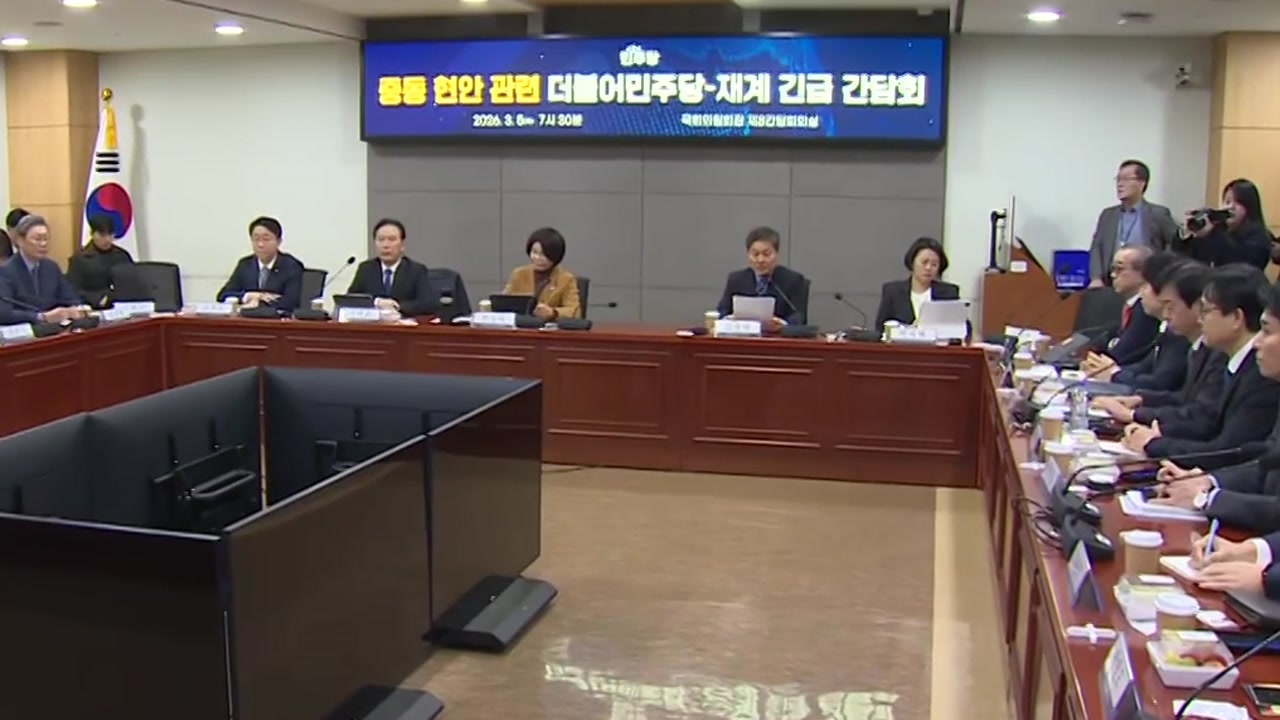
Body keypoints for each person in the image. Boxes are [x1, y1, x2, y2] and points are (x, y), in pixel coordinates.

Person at [1153, 279, 1280, 530]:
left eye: (1266, 331)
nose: (1256, 342)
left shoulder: (1262, 382)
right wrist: (1207, 481)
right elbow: (1265, 468)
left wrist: (1206, 498)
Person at [1125, 264, 1280, 469]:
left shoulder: (1262, 376)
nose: (1199, 319)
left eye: (1206, 311)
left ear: (1236, 318)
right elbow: (1205, 420)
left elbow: (1229, 451)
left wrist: (1155, 444)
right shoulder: (1232, 360)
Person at [1094, 262, 1223, 426]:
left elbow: (1198, 416)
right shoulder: (1198, 347)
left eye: (1170, 306)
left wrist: (1134, 415)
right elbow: (1183, 398)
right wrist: (1140, 400)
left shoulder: (1216, 354)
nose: (1166, 314)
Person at [1081, 251, 1189, 389]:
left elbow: (1161, 382)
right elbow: (1144, 366)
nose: (1141, 293)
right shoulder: (1167, 329)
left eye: (1145, 286)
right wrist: (1111, 371)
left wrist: (1114, 374)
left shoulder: (1179, 333)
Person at [1087, 159, 1179, 287]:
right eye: (1118, 179)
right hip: (1111, 282)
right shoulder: (1108, 215)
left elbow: (1176, 244)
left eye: (1126, 179)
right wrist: (1096, 278)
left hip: (1146, 283)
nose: (1120, 184)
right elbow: (1097, 247)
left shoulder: (1157, 213)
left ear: (1141, 184)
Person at [715, 227, 809, 330]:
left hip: (777, 337)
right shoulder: (736, 279)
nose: (760, 260)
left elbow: (799, 317)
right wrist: (730, 319)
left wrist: (782, 324)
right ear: (748, 255)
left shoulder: (793, 280)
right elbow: (722, 311)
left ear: (777, 254)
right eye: (755, 254)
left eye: (766, 254)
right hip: (743, 336)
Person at [0, 215, 86, 326]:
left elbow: (71, 298)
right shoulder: (6, 271)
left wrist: (74, 309)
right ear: (20, 240)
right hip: (25, 331)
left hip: (54, 330)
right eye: (37, 239)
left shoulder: (51, 267)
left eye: (46, 239)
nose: (43, 244)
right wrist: (41, 317)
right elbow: (4, 313)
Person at [346, 218, 439, 317]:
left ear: (402, 245)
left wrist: (397, 306)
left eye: (392, 239)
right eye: (381, 240)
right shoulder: (366, 269)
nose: (386, 245)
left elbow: (429, 303)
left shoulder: (416, 270)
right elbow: (350, 299)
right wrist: (376, 302)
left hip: (402, 323)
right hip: (373, 324)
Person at [1175, 178, 1272, 270]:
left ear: (1250, 206)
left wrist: (1211, 234)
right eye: (1227, 202)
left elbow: (1240, 264)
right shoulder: (1217, 228)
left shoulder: (1259, 237)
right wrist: (1185, 234)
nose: (1231, 207)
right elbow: (1180, 258)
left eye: (1238, 202)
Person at [215, 216, 305, 312]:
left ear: (278, 241)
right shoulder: (245, 264)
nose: (260, 244)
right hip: (246, 318)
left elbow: (292, 301)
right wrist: (249, 296)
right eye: (256, 239)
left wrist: (258, 303)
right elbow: (223, 296)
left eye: (266, 239)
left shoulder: (292, 266)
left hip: (277, 319)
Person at [1089, 245, 1160, 363]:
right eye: (1112, 269)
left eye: (1119, 269)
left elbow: (1123, 355)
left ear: (1144, 274)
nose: (1113, 275)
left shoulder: (1146, 311)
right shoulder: (1129, 306)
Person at [873, 236, 960, 331]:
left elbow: (963, 326)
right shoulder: (893, 292)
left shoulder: (949, 292)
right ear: (912, 262)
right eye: (924, 262)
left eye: (934, 264)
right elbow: (880, 328)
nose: (928, 268)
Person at [500, 227, 581, 321]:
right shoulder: (519, 274)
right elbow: (503, 302)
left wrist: (553, 313)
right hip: (522, 326)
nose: (538, 258)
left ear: (555, 256)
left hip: (550, 328)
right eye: (534, 252)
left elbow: (575, 312)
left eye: (544, 254)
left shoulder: (566, 279)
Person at [67, 214, 135, 308]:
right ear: (92, 234)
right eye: (102, 235)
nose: (107, 240)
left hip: (122, 305)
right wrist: (97, 298)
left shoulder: (122, 256)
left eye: (110, 235)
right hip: (94, 307)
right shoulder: (80, 259)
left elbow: (132, 283)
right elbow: (72, 290)